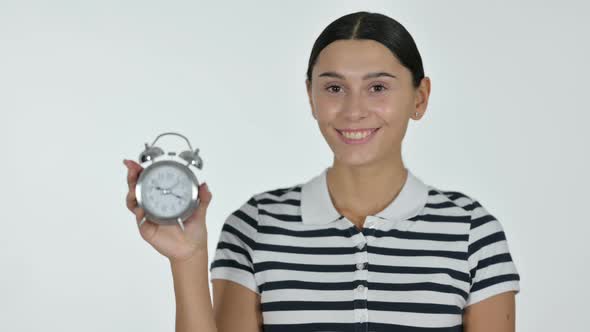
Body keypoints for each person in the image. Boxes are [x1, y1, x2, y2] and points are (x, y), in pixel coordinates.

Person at [124, 10, 520, 332]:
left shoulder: (472, 232)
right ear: (311, 97)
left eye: (378, 87)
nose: (353, 109)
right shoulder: (254, 226)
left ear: (420, 98)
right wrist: (187, 259)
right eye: (334, 88)